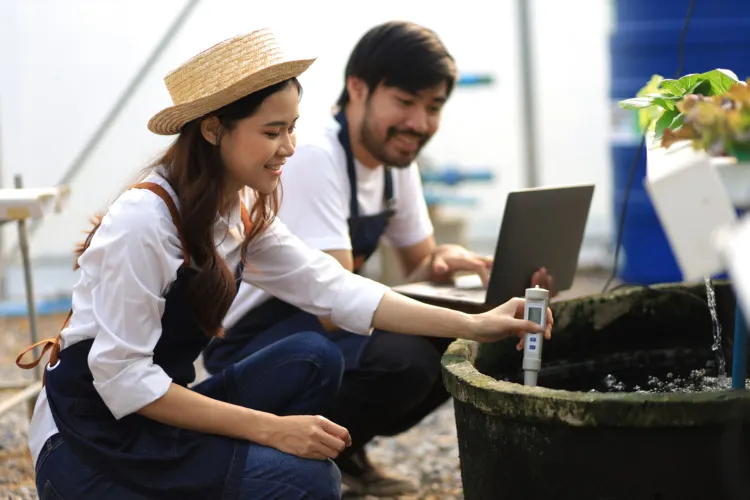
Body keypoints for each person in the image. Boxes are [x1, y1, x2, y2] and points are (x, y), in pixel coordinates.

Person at [15, 28, 553, 500]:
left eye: (293, 127)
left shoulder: (239, 209)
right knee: (311, 482)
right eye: (272, 132)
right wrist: (271, 431)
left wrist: (477, 324)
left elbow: (339, 290)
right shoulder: (145, 222)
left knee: (314, 359)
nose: (290, 147)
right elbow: (124, 383)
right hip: (90, 445)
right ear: (212, 129)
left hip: (155, 416)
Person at [201, 21, 555, 497]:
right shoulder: (312, 155)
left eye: (433, 108)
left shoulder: (394, 160)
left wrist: (453, 268)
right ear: (357, 89)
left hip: (327, 318)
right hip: (257, 342)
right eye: (405, 103)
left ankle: (344, 451)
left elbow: (416, 270)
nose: (419, 123)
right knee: (406, 356)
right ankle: (296, 453)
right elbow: (332, 301)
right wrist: (461, 316)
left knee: (453, 348)